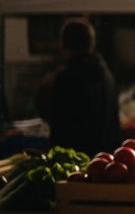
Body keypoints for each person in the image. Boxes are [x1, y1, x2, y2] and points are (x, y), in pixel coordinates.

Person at [34, 18, 120, 156]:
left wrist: (43, 89)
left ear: (63, 44)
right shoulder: (106, 73)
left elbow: (53, 116)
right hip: (104, 160)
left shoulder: (67, 76)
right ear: (92, 43)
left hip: (75, 160)